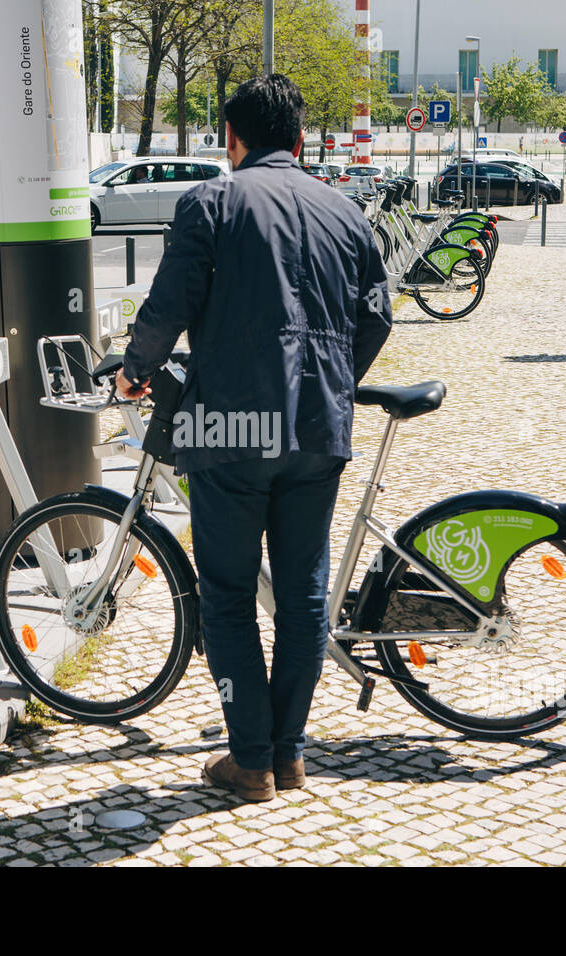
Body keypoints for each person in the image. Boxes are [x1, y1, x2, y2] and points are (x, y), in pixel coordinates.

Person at [116, 74, 393, 802]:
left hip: (229, 429)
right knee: (303, 599)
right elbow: (378, 318)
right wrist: (331, 377)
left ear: (231, 140)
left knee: (230, 595)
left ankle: (250, 761)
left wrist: (134, 373)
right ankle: (291, 755)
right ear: (300, 141)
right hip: (317, 430)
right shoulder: (346, 212)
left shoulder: (209, 202)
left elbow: (168, 303)